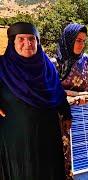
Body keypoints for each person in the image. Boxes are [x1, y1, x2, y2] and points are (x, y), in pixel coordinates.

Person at [0, 22, 72, 179]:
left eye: (32, 39)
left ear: (38, 42)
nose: (28, 44)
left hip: (48, 139)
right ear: (13, 42)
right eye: (21, 39)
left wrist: (66, 113)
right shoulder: (2, 66)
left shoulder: (47, 66)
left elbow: (57, 92)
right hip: (17, 143)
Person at [53, 23, 88, 104]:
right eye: (78, 40)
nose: (82, 45)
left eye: (83, 41)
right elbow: (51, 89)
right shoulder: (55, 63)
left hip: (85, 107)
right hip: (63, 109)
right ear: (69, 40)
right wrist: (78, 95)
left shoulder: (86, 59)